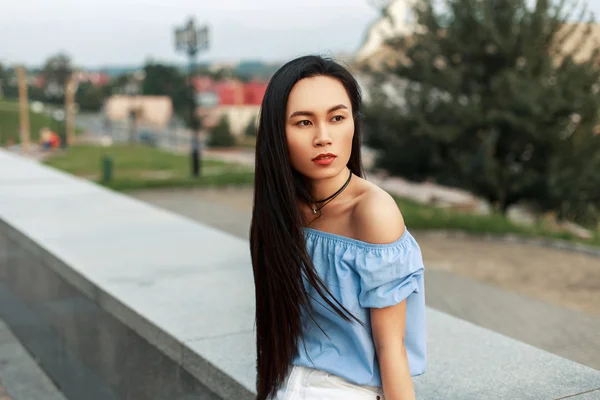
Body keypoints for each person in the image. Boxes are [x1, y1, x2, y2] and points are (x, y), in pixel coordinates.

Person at [250, 55, 426, 400]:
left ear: (354, 124)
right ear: (277, 133)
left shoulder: (373, 212)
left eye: (337, 118)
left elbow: (392, 349)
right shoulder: (283, 208)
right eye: (303, 123)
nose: (323, 137)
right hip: (285, 385)